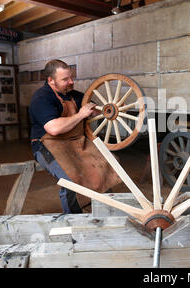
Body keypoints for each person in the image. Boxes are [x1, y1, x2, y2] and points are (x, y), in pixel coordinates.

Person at [29, 60, 121, 213]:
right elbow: (54, 128)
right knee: (71, 180)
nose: (71, 82)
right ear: (50, 80)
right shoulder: (42, 98)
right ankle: (74, 221)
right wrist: (81, 115)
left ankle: (102, 212)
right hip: (47, 144)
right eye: (65, 79)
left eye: (71, 77)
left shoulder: (74, 96)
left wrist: (105, 111)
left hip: (76, 142)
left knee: (105, 166)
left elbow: (94, 109)